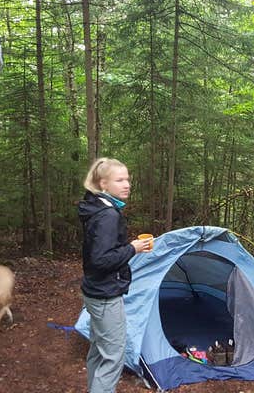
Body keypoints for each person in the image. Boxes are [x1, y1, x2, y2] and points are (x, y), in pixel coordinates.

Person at [78, 157, 151, 393]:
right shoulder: (108, 215)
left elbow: (98, 254)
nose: (127, 184)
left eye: (128, 179)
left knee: (99, 351)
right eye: (119, 180)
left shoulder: (96, 208)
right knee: (113, 358)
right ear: (103, 184)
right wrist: (133, 248)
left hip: (94, 291)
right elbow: (100, 260)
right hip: (106, 294)